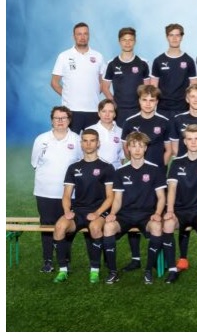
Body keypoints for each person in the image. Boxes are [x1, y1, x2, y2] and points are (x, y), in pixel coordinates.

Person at [51, 129, 115, 283]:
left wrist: (97, 213)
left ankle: (94, 270)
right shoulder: (73, 167)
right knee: (59, 227)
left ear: (98, 143)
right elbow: (66, 195)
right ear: (81, 144)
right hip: (78, 211)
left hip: (98, 211)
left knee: (95, 228)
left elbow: (110, 197)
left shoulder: (107, 167)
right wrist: (67, 211)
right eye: (85, 140)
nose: (88, 144)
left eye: (92, 140)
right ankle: (63, 270)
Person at [102, 132, 167, 284]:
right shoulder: (120, 171)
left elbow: (161, 197)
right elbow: (117, 199)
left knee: (157, 227)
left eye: (141, 146)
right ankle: (113, 272)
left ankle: (148, 271)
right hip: (125, 214)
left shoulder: (155, 170)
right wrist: (112, 213)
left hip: (147, 214)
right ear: (128, 148)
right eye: (133, 146)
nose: (137, 149)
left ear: (145, 148)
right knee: (108, 227)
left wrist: (158, 213)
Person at [120, 84, 171, 271]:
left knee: (157, 217)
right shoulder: (130, 121)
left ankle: (160, 257)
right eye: (144, 100)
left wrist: (159, 171)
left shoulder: (164, 122)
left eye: (152, 100)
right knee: (132, 213)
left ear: (156, 102)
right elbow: (126, 149)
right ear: (139, 101)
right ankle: (135, 258)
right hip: (135, 179)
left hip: (156, 179)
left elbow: (169, 150)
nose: (148, 104)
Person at [162, 124, 197, 284]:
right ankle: (172, 270)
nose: (193, 142)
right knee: (168, 224)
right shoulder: (176, 163)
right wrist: (170, 210)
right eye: (189, 139)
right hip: (180, 210)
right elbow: (172, 189)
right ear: (185, 142)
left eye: (196, 139)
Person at [31, 106, 82, 273]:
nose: (60, 121)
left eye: (64, 118)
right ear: (52, 120)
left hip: (69, 194)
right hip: (45, 191)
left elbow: (81, 166)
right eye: (57, 118)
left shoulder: (77, 140)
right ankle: (47, 260)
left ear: (69, 120)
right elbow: (34, 163)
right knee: (46, 226)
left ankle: (64, 260)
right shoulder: (41, 139)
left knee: (66, 226)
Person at [51, 22, 105, 133]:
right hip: (71, 110)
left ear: (89, 35)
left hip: (93, 109)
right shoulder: (64, 56)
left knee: (92, 141)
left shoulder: (98, 56)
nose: (82, 37)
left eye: (85, 34)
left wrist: (92, 93)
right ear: (74, 36)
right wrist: (68, 95)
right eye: (79, 34)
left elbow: (103, 81)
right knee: (71, 142)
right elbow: (54, 82)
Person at [101, 27, 150, 127]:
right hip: (119, 111)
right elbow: (105, 87)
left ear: (135, 41)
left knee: (138, 136)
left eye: (130, 40)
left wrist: (144, 105)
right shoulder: (111, 64)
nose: (127, 43)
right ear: (119, 41)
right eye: (124, 40)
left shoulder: (143, 63)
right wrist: (113, 104)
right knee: (120, 136)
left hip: (138, 109)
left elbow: (147, 88)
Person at [150, 23, 197, 119]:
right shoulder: (158, 61)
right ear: (167, 37)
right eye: (171, 35)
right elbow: (153, 88)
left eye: (177, 35)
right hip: (162, 109)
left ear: (181, 37)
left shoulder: (189, 60)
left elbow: (195, 87)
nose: (174, 38)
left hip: (183, 108)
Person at [87, 99, 124, 169]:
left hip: (115, 170)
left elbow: (122, 157)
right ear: (99, 113)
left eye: (110, 111)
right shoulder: (89, 130)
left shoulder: (121, 132)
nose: (107, 114)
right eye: (104, 111)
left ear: (115, 114)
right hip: (94, 170)